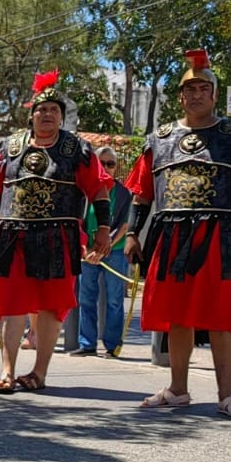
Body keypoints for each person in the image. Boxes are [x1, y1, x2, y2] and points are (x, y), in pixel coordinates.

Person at [125, 49, 231, 420]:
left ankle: (227, 394)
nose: (196, 94)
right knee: (178, 316)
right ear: (180, 96)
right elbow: (142, 194)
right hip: (171, 235)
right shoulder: (159, 139)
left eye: (204, 88)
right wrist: (132, 233)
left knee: (220, 316)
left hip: (220, 235)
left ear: (214, 94)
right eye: (189, 89)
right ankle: (178, 389)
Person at [0, 71, 114, 393]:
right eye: (41, 109)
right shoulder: (9, 148)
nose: (47, 114)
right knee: (12, 304)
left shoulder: (77, 149)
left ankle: (39, 372)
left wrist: (103, 230)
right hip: (13, 236)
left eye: (54, 110)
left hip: (57, 236)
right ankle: (7, 371)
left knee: (51, 306)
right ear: (32, 115)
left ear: (61, 117)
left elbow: (98, 190)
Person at [76, 146, 133, 358]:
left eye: (111, 164)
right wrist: (86, 249)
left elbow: (125, 224)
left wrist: (105, 246)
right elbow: (78, 221)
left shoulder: (124, 193)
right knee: (86, 298)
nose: (106, 167)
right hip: (87, 252)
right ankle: (87, 343)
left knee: (114, 300)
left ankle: (112, 345)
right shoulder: (84, 191)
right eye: (102, 163)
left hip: (114, 250)